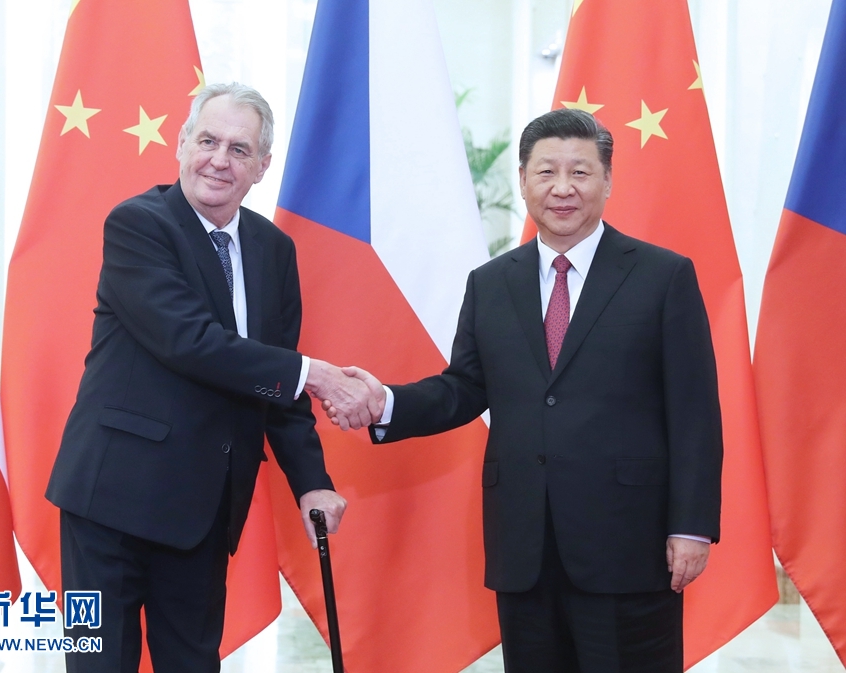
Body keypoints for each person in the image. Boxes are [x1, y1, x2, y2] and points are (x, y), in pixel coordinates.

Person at [328, 108, 723, 673]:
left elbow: (694, 413)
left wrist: (691, 526)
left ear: (608, 180)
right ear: (522, 180)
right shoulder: (491, 283)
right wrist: (385, 402)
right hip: (524, 549)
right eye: (546, 172)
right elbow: (464, 388)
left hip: (627, 546)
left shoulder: (663, 276)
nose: (563, 188)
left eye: (580, 172)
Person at [46, 82, 378, 673]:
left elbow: (276, 382)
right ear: (181, 144)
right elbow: (191, 342)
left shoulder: (273, 250)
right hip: (111, 502)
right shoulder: (138, 225)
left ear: (262, 167)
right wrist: (317, 375)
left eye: (239, 149)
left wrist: (311, 483)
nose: (219, 160)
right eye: (208, 141)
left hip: (203, 506)